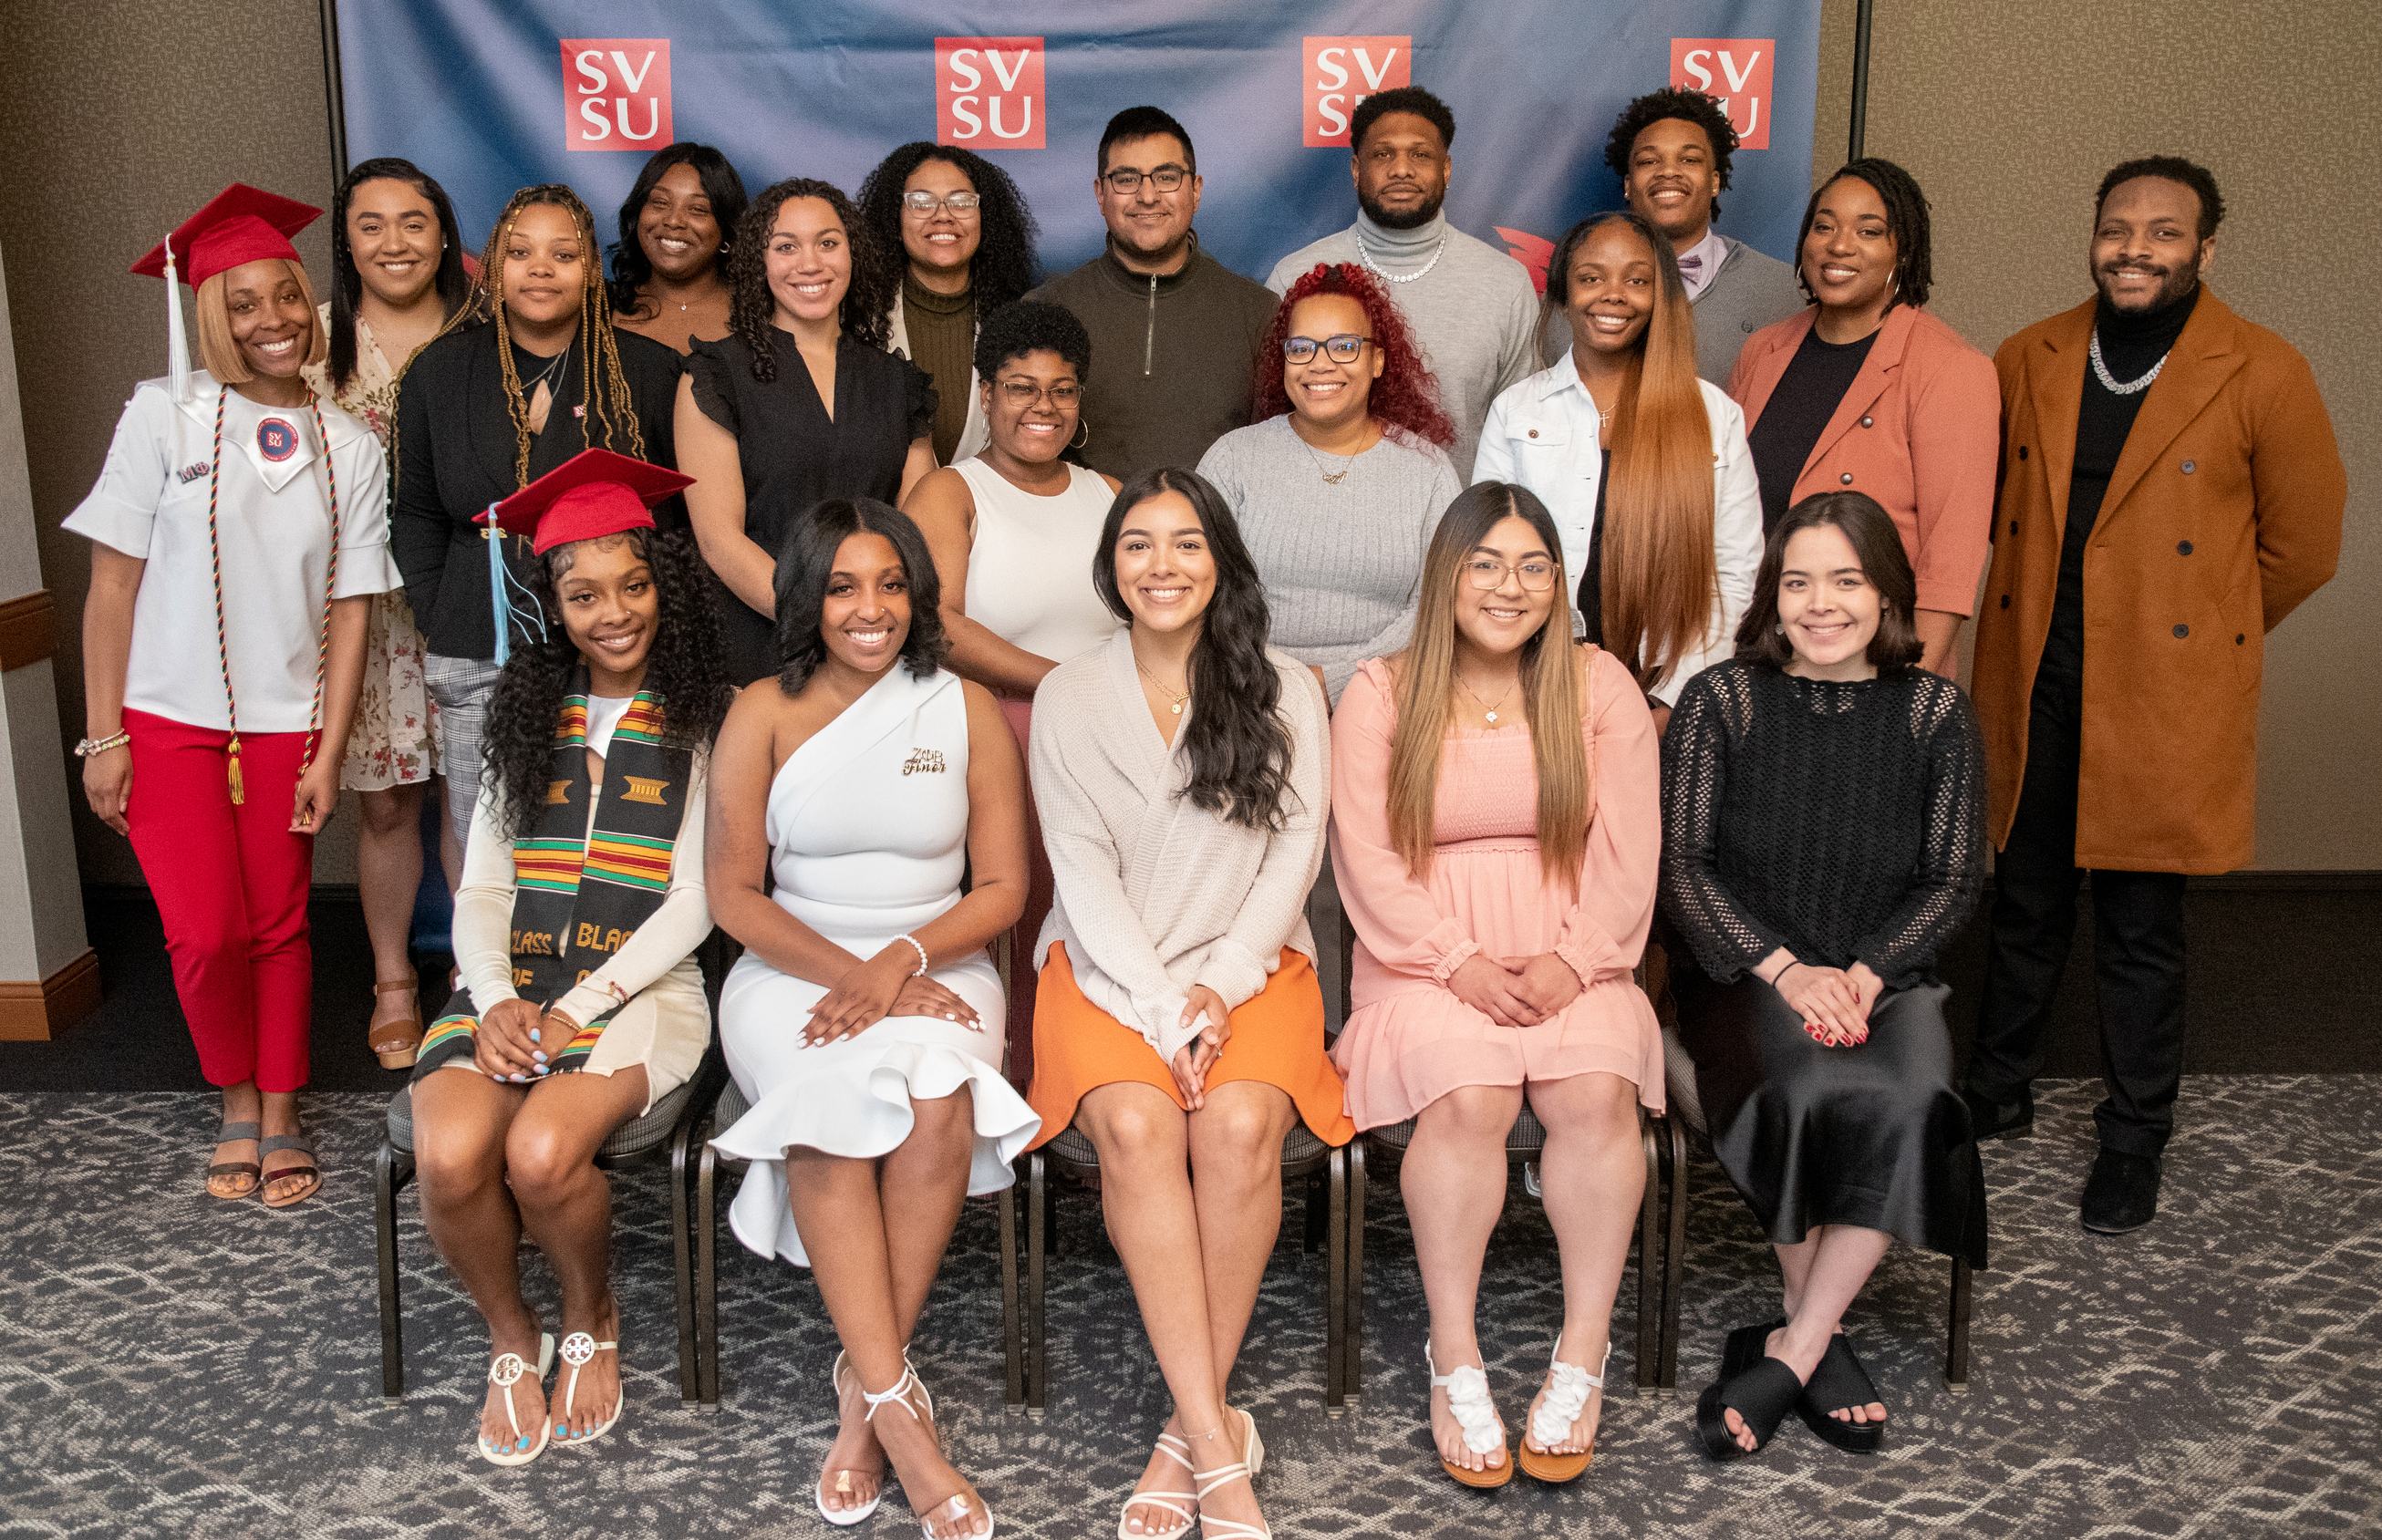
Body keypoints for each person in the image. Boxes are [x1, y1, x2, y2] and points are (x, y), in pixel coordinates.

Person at [1963, 157, 2345, 1234]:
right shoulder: (2027, 353)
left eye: (2163, 233)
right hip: (2034, 666)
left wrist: (2199, 636)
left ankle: (2133, 1137)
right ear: (2091, 237)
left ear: (2204, 250)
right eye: (2117, 228)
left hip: (2162, 686)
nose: (2134, 248)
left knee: (2139, 923)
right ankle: (1994, 1089)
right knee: (2024, 898)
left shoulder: (2261, 369)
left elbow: (2302, 546)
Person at [1025, 469, 1349, 1540]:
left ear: (1221, 563)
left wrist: (1219, 987)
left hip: (1246, 967)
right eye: (1137, 546)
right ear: (1109, 565)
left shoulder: (1283, 685)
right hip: (1110, 972)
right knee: (1135, 1122)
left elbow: (1293, 855)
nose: (1161, 567)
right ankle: (1218, 1443)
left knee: (1243, 1124)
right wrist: (1166, 1009)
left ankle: (1182, 1428)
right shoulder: (1068, 694)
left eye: (1185, 545)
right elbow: (1082, 880)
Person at [708, 500, 1035, 1537]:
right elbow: (733, 898)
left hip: (939, 963)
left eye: (891, 584)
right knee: (827, 1103)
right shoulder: (759, 708)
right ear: (806, 597)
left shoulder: (966, 707)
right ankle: (899, 1412)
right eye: (844, 585)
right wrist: (853, 971)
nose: (871, 608)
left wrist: (897, 962)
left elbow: (1001, 888)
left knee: (938, 1096)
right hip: (788, 968)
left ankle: (866, 1397)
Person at [70, 184, 400, 1208]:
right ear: (210, 314)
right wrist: (101, 738)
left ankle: (285, 1106)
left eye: (288, 298)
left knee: (278, 924)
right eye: (245, 303)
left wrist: (327, 748)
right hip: (165, 724)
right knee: (204, 932)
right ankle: (234, 1099)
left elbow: (351, 613)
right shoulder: (162, 416)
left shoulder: (350, 446)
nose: (273, 321)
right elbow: (111, 588)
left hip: (282, 727)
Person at [1329, 481, 1660, 1488]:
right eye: (1484, 564)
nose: (1507, 587)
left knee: (1592, 1093)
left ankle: (1581, 1352)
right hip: (1422, 957)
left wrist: (1575, 958)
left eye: (1530, 566)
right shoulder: (1380, 691)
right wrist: (1457, 962)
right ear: (1445, 577)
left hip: (1572, 949)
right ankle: (1454, 1356)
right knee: (1470, 1097)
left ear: (1558, 582)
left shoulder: (1597, 686)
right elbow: (1366, 856)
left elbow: (1628, 848)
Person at [409, 450, 731, 1467]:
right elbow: (485, 887)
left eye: (632, 586)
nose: (612, 612)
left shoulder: (708, 715)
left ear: (662, 587)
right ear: (552, 602)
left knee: (543, 1155)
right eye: (582, 593)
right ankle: (514, 1333)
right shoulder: (522, 711)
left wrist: (578, 1006)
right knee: (451, 1152)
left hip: (643, 991)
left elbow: (699, 895)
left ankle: (590, 1314)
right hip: (512, 981)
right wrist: (497, 996)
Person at [1661, 491, 1989, 1460]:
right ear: (1771, 596)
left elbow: (1951, 877)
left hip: (1884, 977)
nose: (1820, 603)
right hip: (1745, 972)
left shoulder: (1934, 714)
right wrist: (1786, 972)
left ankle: (1792, 1344)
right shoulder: (1719, 701)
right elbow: (1682, 867)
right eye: (1796, 581)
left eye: (1845, 580)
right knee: (1802, 1087)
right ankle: (1818, 1347)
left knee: (1912, 1095)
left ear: (1885, 594)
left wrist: (1860, 972)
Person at [393, 183, 689, 875]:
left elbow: (672, 523)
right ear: (493, 266)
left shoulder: (646, 372)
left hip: (614, 649)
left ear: (591, 268)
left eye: (564, 253)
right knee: (486, 845)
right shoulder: (439, 371)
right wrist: (445, 612)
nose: (541, 268)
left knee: (609, 843)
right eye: (521, 253)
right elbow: (413, 514)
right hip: (479, 646)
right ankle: (490, 978)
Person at [902, 299, 1121, 1081]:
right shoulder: (952, 493)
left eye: (1061, 390)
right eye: (1021, 387)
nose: (1043, 406)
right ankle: (1020, 1085)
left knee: (1104, 914)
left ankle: (1096, 1080)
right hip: (999, 732)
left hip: (1111, 733)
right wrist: (1063, 684)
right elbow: (936, 622)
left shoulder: (1108, 494)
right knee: (1023, 914)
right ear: (986, 394)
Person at [303, 156, 473, 1069]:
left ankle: (472, 977)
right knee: (388, 805)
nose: (394, 242)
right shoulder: (313, 345)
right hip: (370, 614)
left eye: (414, 221)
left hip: (475, 594)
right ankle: (391, 980)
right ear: (346, 241)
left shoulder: (485, 330)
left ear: (444, 236)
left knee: (478, 798)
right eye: (371, 224)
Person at [1477, 210, 1762, 726]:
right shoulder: (1518, 412)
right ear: (1563, 292)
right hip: (1540, 687)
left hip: (1666, 688)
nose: (1614, 294)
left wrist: (1673, 701)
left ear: (1661, 297)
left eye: (1637, 280)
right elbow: (1488, 566)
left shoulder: (1714, 416)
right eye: (1591, 278)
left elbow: (1734, 577)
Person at [1727, 159, 1998, 678]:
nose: (1839, 245)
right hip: (1760, 657)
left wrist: (1903, 695)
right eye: (1823, 226)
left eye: (1868, 231)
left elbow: (1951, 564)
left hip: (1876, 670)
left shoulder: (1952, 370)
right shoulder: (1763, 352)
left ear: (1905, 250)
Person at [679, 177, 937, 685]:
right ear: (759, 261)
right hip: (758, 650)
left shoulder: (897, 382)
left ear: (852, 254)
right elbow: (720, 541)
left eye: (827, 242)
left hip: (877, 648)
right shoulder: (716, 374)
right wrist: (824, 620)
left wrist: (870, 620)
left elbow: (916, 530)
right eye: (785, 246)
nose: (810, 263)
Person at [1198, 261, 1459, 704]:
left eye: (1344, 346)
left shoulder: (1427, 471)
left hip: (1387, 698)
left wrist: (1338, 680)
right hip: (1247, 697)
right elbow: (1201, 589)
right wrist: (1270, 680)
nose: (1320, 364)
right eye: (1301, 348)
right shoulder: (1233, 460)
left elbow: (1436, 606)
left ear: (1377, 360)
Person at [1263, 87, 1538, 480]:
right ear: (1357, 170)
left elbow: (1523, 433)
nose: (1401, 169)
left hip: (1455, 531)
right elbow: (1272, 420)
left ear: (1446, 169)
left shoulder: (1505, 283)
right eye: (1383, 154)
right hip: (1320, 518)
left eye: (1420, 154)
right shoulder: (1295, 276)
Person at [1027, 106, 1279, 479]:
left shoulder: (1258, 312)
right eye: (1127, 179)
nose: (1147, 196)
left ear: (1195, 190)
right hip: (1081, 532)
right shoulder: (1046, 310)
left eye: (1166, 177)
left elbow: (1278, 454)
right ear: (1100, 193)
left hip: (1216, 532)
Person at [1541, 88, 1804, 383]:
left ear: (1715, 181)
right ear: (1628, 185)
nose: (1668, 171)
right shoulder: (1573, 292)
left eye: (1689, 160)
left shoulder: (1781, 290)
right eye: (1649, 161)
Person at [859, 141, 1041, 468]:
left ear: (986, 219)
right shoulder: (856, 320)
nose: (943, 215)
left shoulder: (1022, 322)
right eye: (921, 201)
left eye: (961, 202)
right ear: (894, 219)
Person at [608, 142, 749, 354]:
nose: (674, 221)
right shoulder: (600, 308)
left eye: (698, 209)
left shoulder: (760, 312)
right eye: (660, 203)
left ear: (726, 227)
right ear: (637, 214)